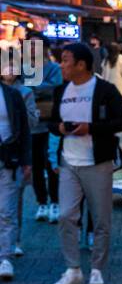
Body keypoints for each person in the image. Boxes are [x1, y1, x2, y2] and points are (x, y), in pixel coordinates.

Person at [49, 41, 122, 284]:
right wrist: (60, 128)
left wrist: (90, 128)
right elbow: (53, 122)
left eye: (65, 60)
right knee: (65, 216)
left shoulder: (104, 89)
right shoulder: (61, 90)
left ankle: (96, 268)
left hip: (97, 163)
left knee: (101, 218)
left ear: (81, 65)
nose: (61, 65)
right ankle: (73, 269)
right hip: (69, 163)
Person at [1, 65, 38, 257]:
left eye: (12, 66)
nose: (8, 70)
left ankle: (13, 242)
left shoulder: (23, 92)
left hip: (13, 153)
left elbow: (30, 124)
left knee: (13, 201)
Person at [31, 37, 62, 221]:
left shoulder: (54, 68)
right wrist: (40, 88)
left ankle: (55, 202)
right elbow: (23, 90)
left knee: (52, 164)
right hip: (32, 125)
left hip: (50, 123)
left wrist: (35, 88)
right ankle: (41, 202)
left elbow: (55, 88)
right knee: (35, 166)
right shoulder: (27, 69)